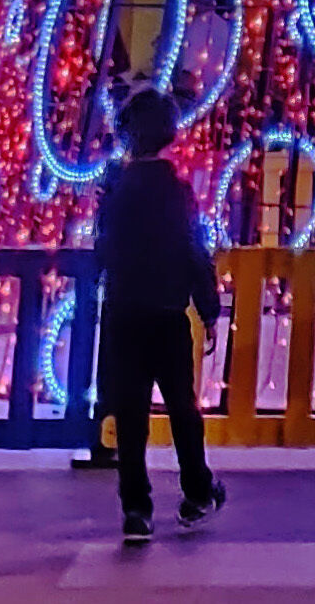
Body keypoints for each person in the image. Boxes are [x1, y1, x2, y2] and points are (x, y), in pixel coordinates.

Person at [94, 88, 225, 550]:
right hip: (168, 312)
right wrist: (208, 308)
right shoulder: (178, 191)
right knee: (183, 408)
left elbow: (102, 249)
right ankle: (196, 490)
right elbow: (195, 251)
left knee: (130, 415)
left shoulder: (116, 190)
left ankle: (136, 508)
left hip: (124, 312)